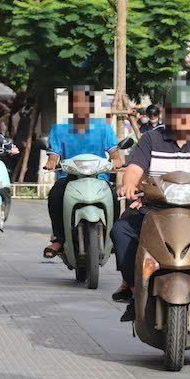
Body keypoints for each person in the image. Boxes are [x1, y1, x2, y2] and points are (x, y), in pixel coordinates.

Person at [112, 82, 190, 328]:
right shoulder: (151, 138)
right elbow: (135, 168)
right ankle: (134, 288)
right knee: (122, 230)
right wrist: (129, 185)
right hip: (156, 209)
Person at [42, 86, 122, 258]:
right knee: (55, 195)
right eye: (77, 102)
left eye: (85, 102)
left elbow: (115, 154)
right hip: (69, 178)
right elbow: (53, 155)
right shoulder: (59, 128)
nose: (81, 106)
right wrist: (51, 162)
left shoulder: (104, 128)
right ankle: (59, 238)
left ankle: (113, 238)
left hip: (99, 177)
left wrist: (117, 161)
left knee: (114, 197)